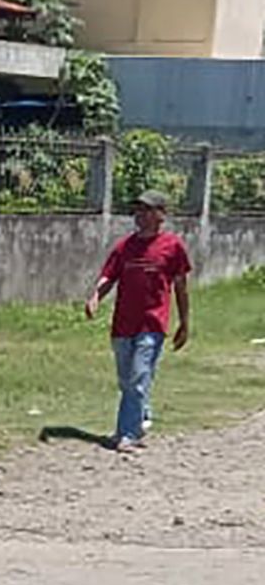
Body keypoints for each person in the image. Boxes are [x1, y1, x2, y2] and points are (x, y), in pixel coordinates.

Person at [85, 188, 192, 453]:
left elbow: (181, 287)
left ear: (161, 215)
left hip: (153, 324)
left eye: (147, 209)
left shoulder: (172, 247)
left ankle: (127, 434)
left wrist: (184, 322)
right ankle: (141, 416)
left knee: (138, 377)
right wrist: (96, 296)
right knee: (127, 380)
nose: (140, 215)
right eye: (138, 209)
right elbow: (109, 276)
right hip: (123, 324)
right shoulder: (125, 246)